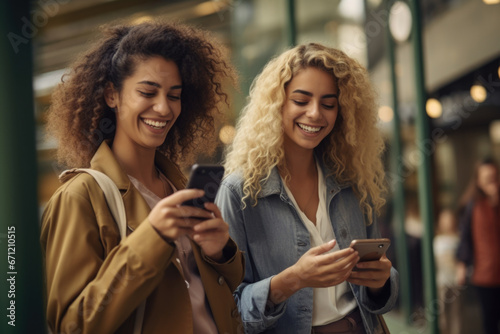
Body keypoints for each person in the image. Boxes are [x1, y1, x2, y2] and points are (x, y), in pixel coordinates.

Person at [40, 21, 244, 334]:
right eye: (148, 92)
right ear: (112, 95)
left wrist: (220, 252)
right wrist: (153, 237)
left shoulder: (178, 186)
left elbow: (208, 294)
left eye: (173, 96)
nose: (163, 108)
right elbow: (73, 325)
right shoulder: (79, 197)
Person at [216, 43, 399, 334]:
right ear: (278, 104)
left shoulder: (351, 181)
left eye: (328, 104)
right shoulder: (239, 192)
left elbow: (378, 294)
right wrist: (292, 280)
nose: (315, 114)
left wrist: (381, 282)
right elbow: (227, 307)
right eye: (301, 100)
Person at [456, 158, 500, 334]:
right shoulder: (472, 206)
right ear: (478, 179)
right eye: (487, 176)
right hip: (485, 274)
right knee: (489, 322)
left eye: (494, 176)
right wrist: (462, 264)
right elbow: (465, 237)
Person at [433, 209, 462, 334]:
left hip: (455, 281)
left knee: (456, 312)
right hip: (441, 281)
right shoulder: (437, 240)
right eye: (444, 220)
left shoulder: (458, 239)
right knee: (442, 313)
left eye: (449, 220)